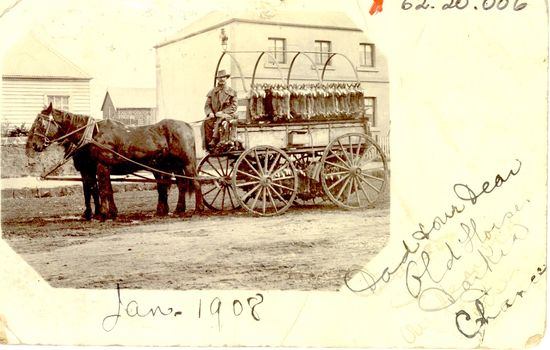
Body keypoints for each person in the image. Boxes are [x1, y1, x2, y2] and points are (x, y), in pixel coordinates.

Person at [203, 69, 237, 151]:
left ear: (226, 78)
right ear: (217, 79)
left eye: (223, 77)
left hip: (228, 115)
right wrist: (210, 113)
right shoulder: (212, 92)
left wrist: (223, 112)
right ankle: (210, 146)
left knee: (221, 119)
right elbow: (207, 105)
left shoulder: (232, 92)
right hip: (215, 115)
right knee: (206, 122)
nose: (221, 79)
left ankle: (215, 140)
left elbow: (234, 106)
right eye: (220, 77)